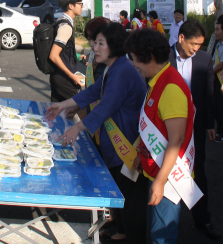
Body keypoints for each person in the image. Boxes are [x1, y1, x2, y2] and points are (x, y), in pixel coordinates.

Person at [46, 22, 148, 243]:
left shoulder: (123, 70)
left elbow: (106, 106)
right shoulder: (115, 66)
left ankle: (135, 236)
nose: (95, 47)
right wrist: (62, 105)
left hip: (128, 144)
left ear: (115, 45)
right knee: (119, 190)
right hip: (114, 140)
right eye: (95, 42)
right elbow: (94, 91)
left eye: (100, 43)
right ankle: (122, 230)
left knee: (131, 198)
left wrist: (77, 127)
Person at [125, 28, 199, 244]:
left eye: (135, 58)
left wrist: (160, 181)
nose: (134, 64)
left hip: (168, 176)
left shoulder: (171, 87)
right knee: (157, 230)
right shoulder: (157, 79)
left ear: (149, 57)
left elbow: (176, 140)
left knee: (162, 236)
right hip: (156, 170)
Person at [168, 19, 221, 240]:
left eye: (200, 44)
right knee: (167, 172)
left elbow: (208, 92)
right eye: (194, 44)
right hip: (166, 128)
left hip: (195, 126)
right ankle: (168, 221)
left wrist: (210, 124)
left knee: (197, 172)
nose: (196, 48)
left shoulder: (204, 59)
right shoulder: (163, 56)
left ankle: (202, 218)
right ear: (181, 38)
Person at [70, 16, 110, 120]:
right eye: (89, 39)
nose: (93, 45)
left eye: (98, 41)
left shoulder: (114, 66)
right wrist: (78, 107)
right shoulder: (93, 57)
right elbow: (91, 92)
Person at [48, 0, 84, 103]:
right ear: (71, 6)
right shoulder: (66, 26)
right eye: (80, 3)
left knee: (56, 113)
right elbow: (53, 55)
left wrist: (77, 56)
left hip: (58, 75)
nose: (82, 6)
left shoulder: (61, 20)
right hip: (64, 78)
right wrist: (72, 76)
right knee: (78, 108)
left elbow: (63, 50)